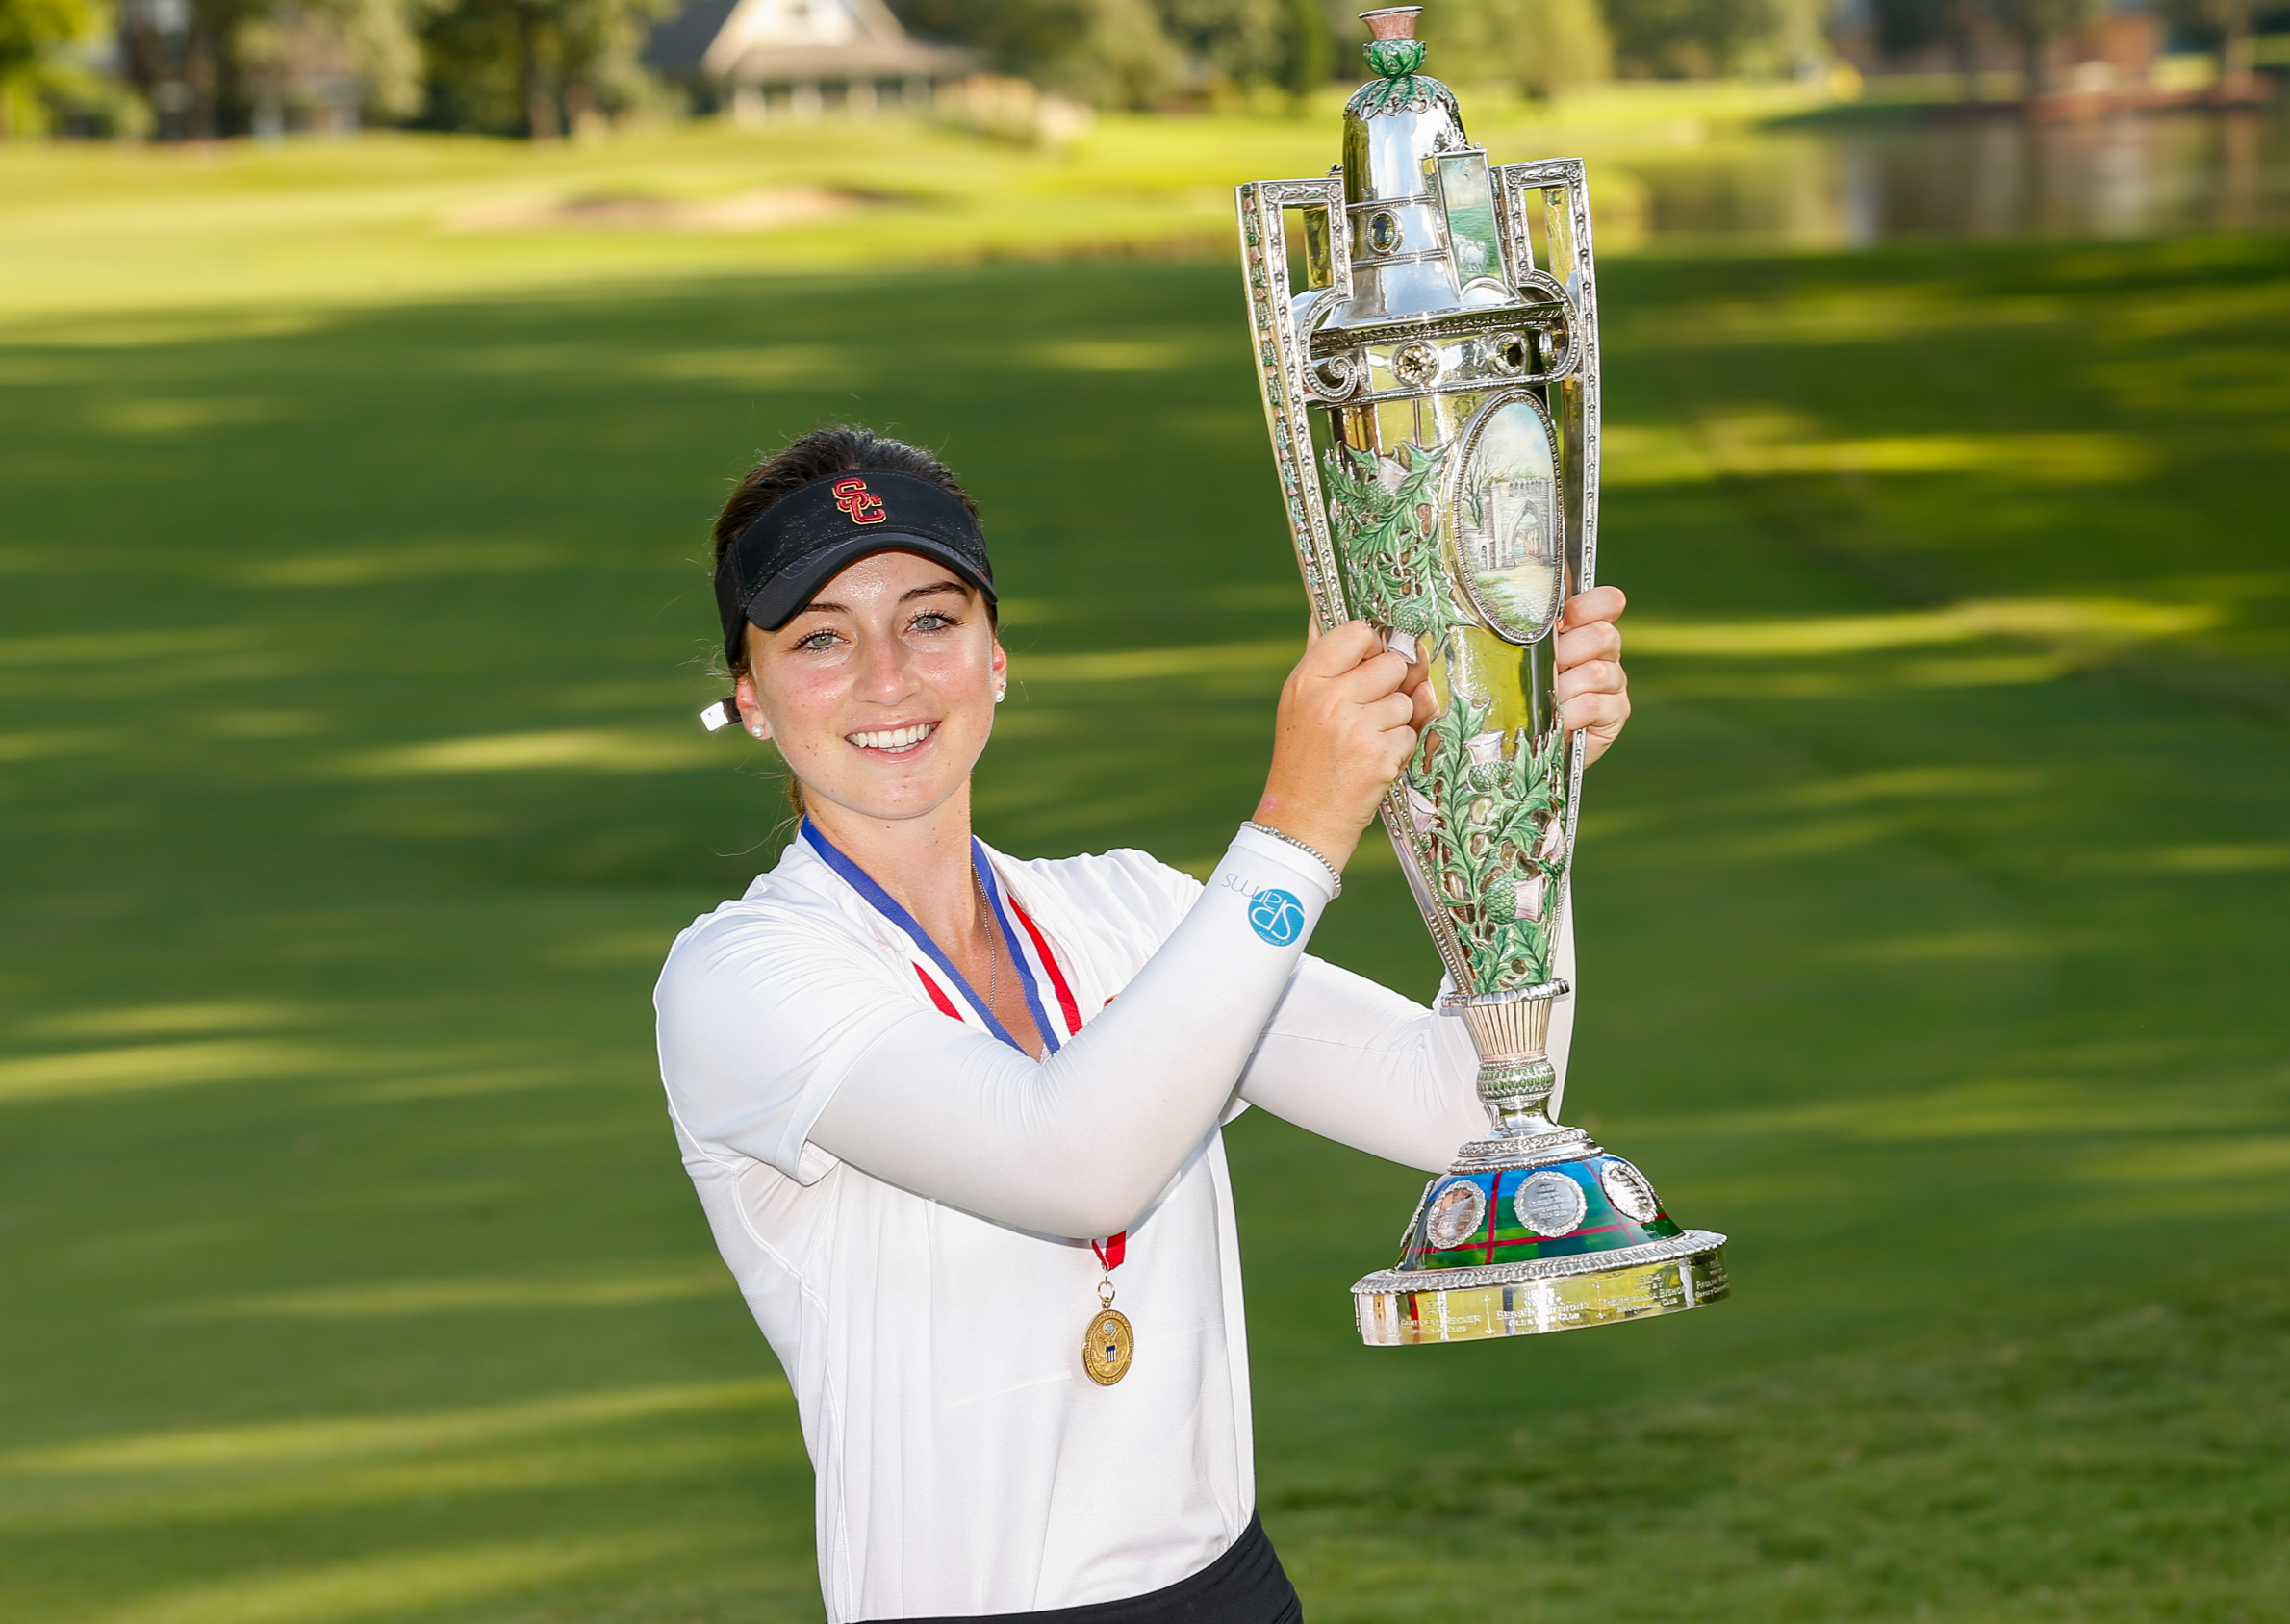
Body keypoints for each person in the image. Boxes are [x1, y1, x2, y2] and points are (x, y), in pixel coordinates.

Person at [652, 425, 1634, 1623]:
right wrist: (1300, 825)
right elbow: (1074, 1165)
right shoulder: (738, 976)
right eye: (819, 638)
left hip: (1233, 1591)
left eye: (930, 618)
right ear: (748, 698)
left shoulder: (1128, 908)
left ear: (995, 656)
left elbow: (1467, 1101)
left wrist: (1527, 774)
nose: (888, 679)